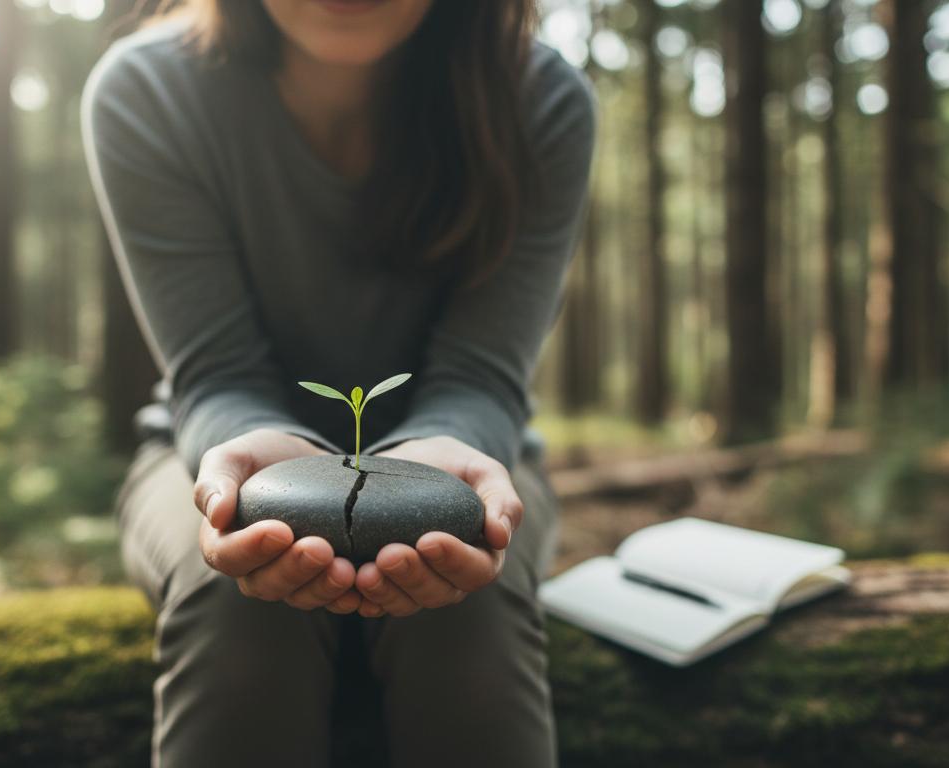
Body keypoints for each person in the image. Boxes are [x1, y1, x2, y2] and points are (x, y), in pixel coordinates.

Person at [82, 1, 596, 765]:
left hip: (479, 455)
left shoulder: (539, 101)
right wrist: (251, 461)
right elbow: (215, 373)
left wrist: (440, 469)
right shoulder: (149, 91)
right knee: (238, 600)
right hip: (206, 449)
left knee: (465, 605)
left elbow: (481, 377)